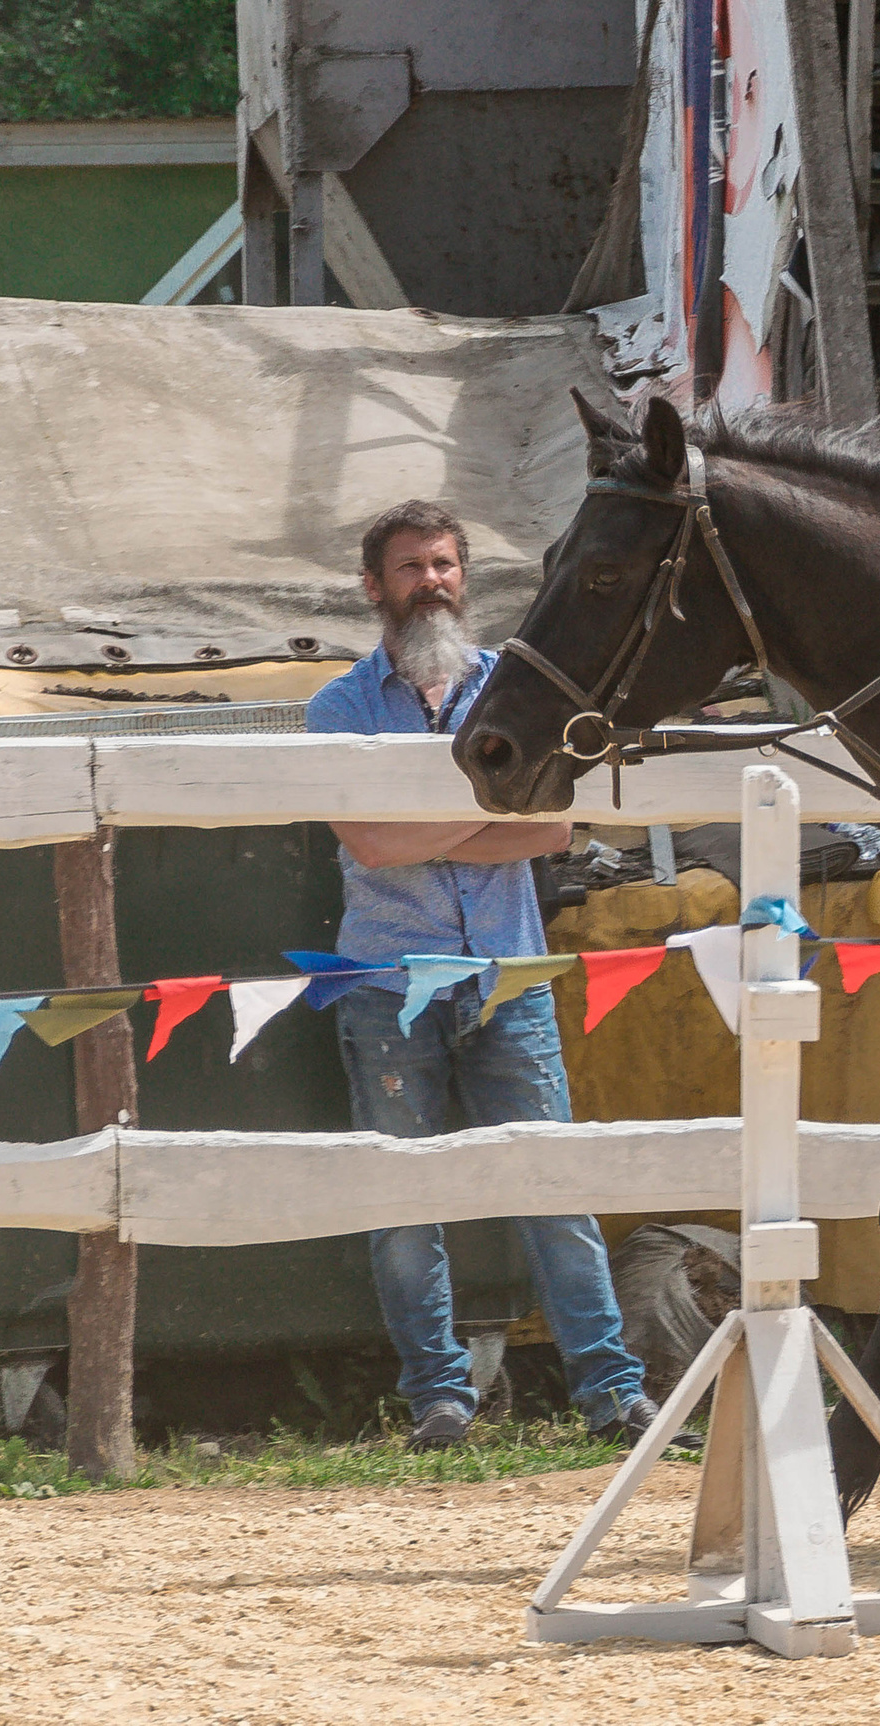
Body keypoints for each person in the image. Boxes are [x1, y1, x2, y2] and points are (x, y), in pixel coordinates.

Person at [307, 499, 663, 1449]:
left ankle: (611, 1395)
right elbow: (373, 847)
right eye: (411, 566)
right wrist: (492, 821)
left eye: (445, 563)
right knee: (403, 1204)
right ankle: (439, 1402)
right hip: (386, 987)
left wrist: (462, 830)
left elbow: (554, 829)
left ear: (466, 576)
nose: (432, 581)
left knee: (555, 1188)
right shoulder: (337, 707)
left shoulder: (519, 686)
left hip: (511, 979)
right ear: (374, 586)